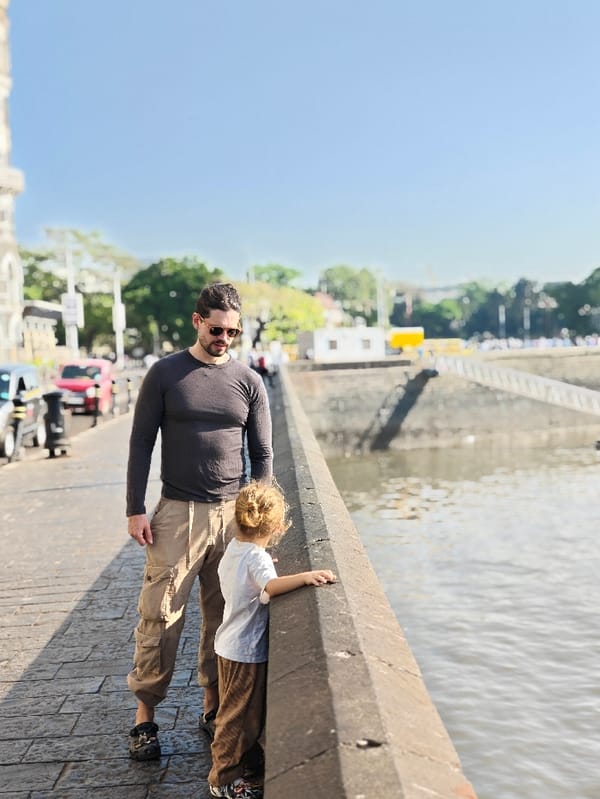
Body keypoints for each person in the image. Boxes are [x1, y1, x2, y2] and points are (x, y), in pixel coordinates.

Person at [126, 282, 273, 762]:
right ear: (197, 321)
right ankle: (144, 719)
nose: (224, 339)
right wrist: (135, 507)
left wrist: (261, 522)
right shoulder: (165, 373)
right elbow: (141, 442)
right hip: (177, 513)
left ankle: (211, 710)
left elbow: (263, 454)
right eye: (216, 329)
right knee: (160, 614)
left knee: (224, 616)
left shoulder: (249, 382)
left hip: (233, 516)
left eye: (232, 331)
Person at [207, 481, 336, 799]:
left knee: (238, 712)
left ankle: (240, 767)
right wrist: (305, 577)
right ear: (278, 526)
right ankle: (223, 780)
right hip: (245, 649)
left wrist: (262, 568)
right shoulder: (256, 559)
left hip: (228, 644)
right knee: (235, 718)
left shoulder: (236, 550)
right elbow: (269, 588)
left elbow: (252, 582)